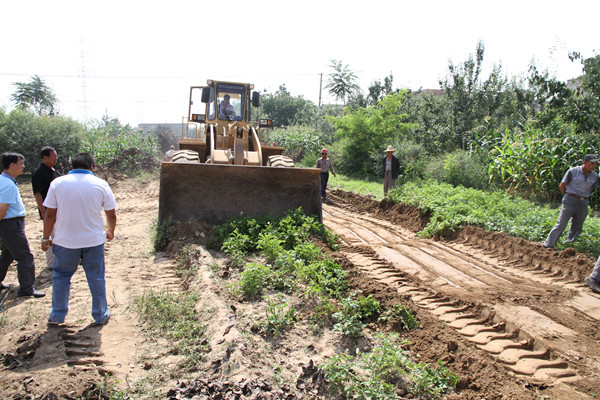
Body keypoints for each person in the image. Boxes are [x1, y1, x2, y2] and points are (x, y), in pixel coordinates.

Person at [42, 153, 117, 325]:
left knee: (61, 276)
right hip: (93, 242)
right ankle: (100, 315)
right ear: (92, 166)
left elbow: (50, 215)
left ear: (71, 165)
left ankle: (57, 315)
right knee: (96, 277)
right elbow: (111, 214)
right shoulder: (101, 184)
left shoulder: (57, 184)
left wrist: (45, 238)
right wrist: (110, 231)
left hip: (64, 242)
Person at [0, 152, 45, 298]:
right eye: (21, 163)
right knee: (25, 257)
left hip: (9, 225)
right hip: (10, 225)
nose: (23, 166)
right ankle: (26, 288)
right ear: (12, 165)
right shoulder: (7, 184)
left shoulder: (6, 181)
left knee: (8, 255)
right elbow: (2, 208)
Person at [543, 154, 599, 249]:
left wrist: (583, 197)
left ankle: (569, 244)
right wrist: (569, 195)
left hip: (583, 202)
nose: (594, 166)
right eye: (592, 163)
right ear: (585, 162)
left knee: (578, 225)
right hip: (570, 200)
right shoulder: (573, 171)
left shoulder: (594, 175)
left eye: (595, 164)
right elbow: (562, 185)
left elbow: (591, 189)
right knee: (561, 223)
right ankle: (548, 245)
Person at [32, 146, 61, 270]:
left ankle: (59, 259)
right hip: (49, 211)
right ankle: (51, 263)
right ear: (45, 157)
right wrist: (43, 211)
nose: (56, 158)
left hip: (58, 209)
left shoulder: (54, 171)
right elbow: (37, 193)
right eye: (53, 156)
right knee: (49, 235)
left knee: (58, 235)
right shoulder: (39, 173)